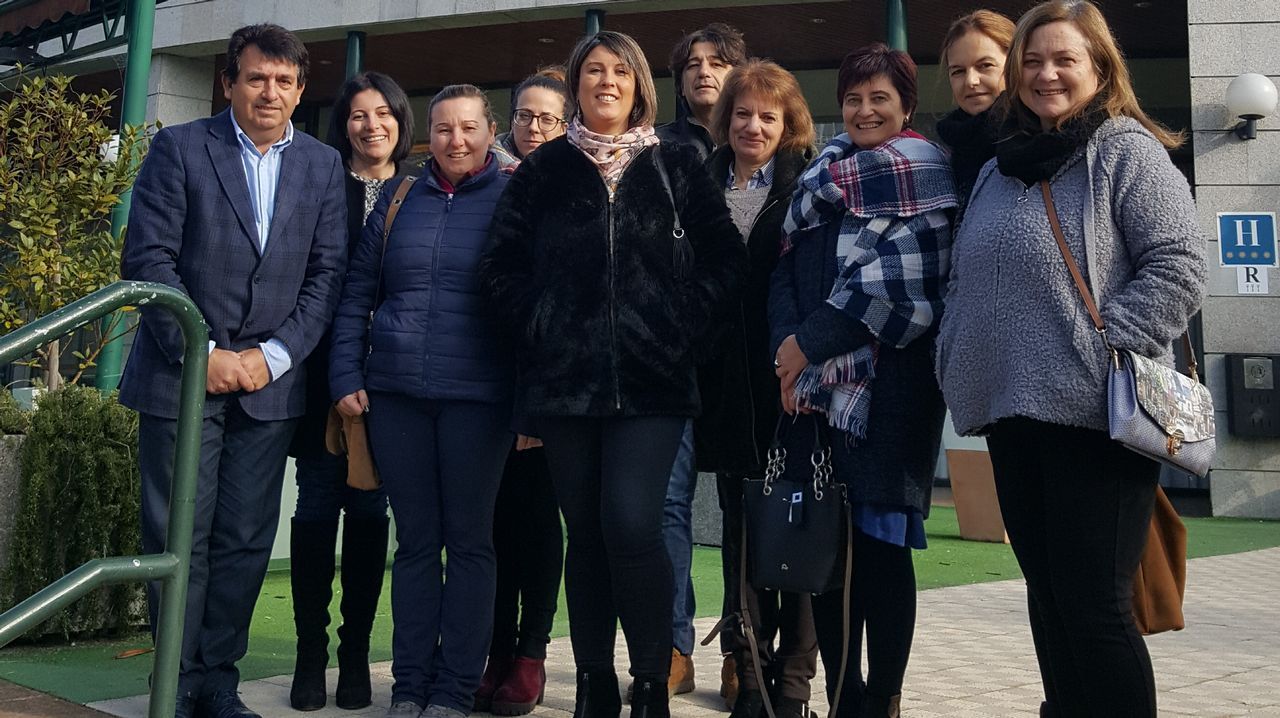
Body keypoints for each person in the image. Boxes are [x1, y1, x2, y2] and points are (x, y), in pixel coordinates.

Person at [935, 2, 1207, 715]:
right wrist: (955, 352)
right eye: (1032, 60)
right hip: (1011, 413)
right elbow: (964, 278)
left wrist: (1103, 347)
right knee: (1050, 599)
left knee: (1095, 608)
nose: (1046, 74)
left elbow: (1179, 267)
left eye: (1065, 59)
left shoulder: (1126, 152)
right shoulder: (999, 168)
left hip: (1097, 415)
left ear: (1101, 68)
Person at [480, 31, 747, 718]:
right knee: (587, 533)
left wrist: (678, 325)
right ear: (576, 84)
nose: (607, 81)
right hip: (566, 386)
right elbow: (499, 269)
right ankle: (593, 682)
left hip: (654, 383)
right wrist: (545, 324)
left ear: (639, 87)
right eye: (594, 70)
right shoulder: (543, 170)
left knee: (632, 524)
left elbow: (725, 261)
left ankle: (651, 680)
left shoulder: (677, 164)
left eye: (620, 71)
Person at [119, 23, 347, 718]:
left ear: (300, 90)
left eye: (284, 81)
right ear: (229, 83)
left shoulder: (322, 165)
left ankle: (218, 679)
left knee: (246, 540)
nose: (269, 92)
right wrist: (204, 352)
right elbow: (148, 259)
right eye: (256, 78)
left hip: (268, 388)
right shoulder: (180, 148)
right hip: (179, 378)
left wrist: (270, 358)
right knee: (177, 536)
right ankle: (175, 682)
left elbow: (327, 276)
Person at [769, 43, 957, 718]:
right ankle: (843, 694)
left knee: (882, 556)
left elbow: (900, 288)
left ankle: (884, 698)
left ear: (906, 106)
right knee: (828, 556)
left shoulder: (927, 177)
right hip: (815, 398)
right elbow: (785, 270)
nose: (865, 110)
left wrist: (806, 346)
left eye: (881, 98)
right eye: (853, 98)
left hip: (891, 398)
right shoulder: (822, 177)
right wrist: (786, 351)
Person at [329, 84, 516, 718]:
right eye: (442, 129)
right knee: (413, 543)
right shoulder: (399, 198)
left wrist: (529, 401)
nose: (455, 140)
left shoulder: (515, 197)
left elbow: (533, 304)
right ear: (426, 135)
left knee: (468, 544)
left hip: (480, 402)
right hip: (396, 395)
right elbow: (357, 291)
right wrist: (345, 374)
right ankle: (409, 685)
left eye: (468, 128)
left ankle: (454, 690)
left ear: (490, 132)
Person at [694, 59, 819, 718]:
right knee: (739, 533)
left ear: (788, 122)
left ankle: (793, 680)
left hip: (787, 384)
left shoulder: (808, 186)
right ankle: (748, 669)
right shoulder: (700, 183)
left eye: (768, 116)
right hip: (720, 388)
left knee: (792, 528)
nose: (753, 126)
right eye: (742, 113)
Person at [286, 70, 414, 712]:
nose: (372, 125)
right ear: (344, 125)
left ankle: (355, 653)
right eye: (359, 115)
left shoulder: (417, 188)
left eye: (383, 113)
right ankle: (310, 654)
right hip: (318, 373)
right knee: (315, 506)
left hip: (389, 377)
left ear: (401, 120)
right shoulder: (319, 183)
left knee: (368, 510)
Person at [652, 22, 747, 701]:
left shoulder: (766, 145)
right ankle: (673, 647)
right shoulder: (657, 151)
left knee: (745, 506)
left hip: (747, 360)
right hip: (676, 357)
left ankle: (743, 646)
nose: (704, 71)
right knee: (668, 504)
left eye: (718, 61)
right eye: (692, 63)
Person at [473, 69, 569, 718]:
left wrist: (537, 393)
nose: (535, 128)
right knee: (493, 523)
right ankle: (496, 650)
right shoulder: (488, 181)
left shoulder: (574, 185)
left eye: (549, 118)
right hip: (485, 378)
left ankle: (531, 652)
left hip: (547, 384)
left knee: (536, 520)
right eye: (525, 116)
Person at [935, 10, 1016, 210]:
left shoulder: (1036, 139)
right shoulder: (947, 155)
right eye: (958, 71)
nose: (971, 81)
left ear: (1015, 65)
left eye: (985, 65)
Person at [657, 23, 746, 160]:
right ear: (681, 86)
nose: (704, 72)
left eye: (716, 64)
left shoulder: (754, 139)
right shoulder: (657, 146)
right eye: (693, 65)